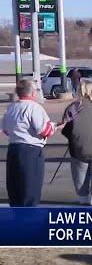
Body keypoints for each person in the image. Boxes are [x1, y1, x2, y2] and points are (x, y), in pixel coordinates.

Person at [2, 79, 60, 207]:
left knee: (15, 187)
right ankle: (30, 219)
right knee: (30, 188)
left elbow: (6, 130)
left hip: (13, 149)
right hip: (30, 151)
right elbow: (43, 130)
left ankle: (18, 217)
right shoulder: (34, 108)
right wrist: (55, 126)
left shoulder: (11, 107)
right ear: (33, 92)